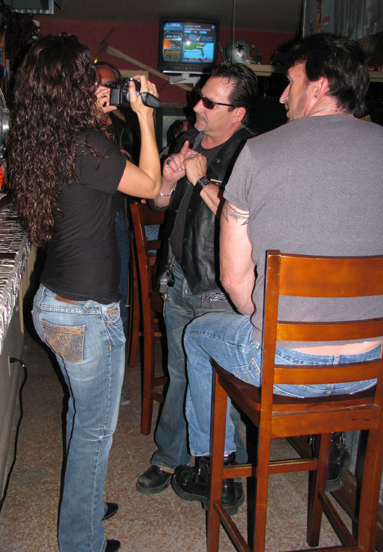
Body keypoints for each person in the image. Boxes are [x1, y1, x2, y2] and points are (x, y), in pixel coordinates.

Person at [171, 33, 383, 506]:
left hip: (285, 365)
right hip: (370, 369)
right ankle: (330, 445)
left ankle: (216, 468)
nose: (283, 96)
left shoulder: (260, 152)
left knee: (198, 334)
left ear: (319, 86)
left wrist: (261, 319)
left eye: (290, 82)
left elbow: (234, 279)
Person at [7, 34, 161, 552]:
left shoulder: (45, 140)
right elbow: (150, 186)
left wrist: (100, 117)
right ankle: (81, 541)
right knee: (95, 432)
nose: (96, 84)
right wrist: (145, 117)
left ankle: (85, 506)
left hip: (55, 305)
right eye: (86, 77)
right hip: (87, 314)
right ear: (71, 86)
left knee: (82, 414)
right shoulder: (86, 144)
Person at [136, 63, 258, 514]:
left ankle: (228, 470)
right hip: (179, 277)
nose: (196, 106)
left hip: (220, 287)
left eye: (209, 101)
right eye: (198, 95)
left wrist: (201, 179)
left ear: (237, 112)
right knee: (180, 371)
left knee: (224, 383)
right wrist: (168, 181)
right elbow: (159, 202)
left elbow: (246, 219)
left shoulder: (253, 153)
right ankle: (170, 457)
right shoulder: (187, 139)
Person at [94, 61, 135, 407]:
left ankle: (113, 385)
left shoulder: (125, 125)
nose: (104, 90)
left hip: (117, 216)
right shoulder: (76, 124)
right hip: (87, 218)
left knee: (116, 301)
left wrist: (124, 158)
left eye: (110, 85)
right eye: (97, 83)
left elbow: (143, 173)